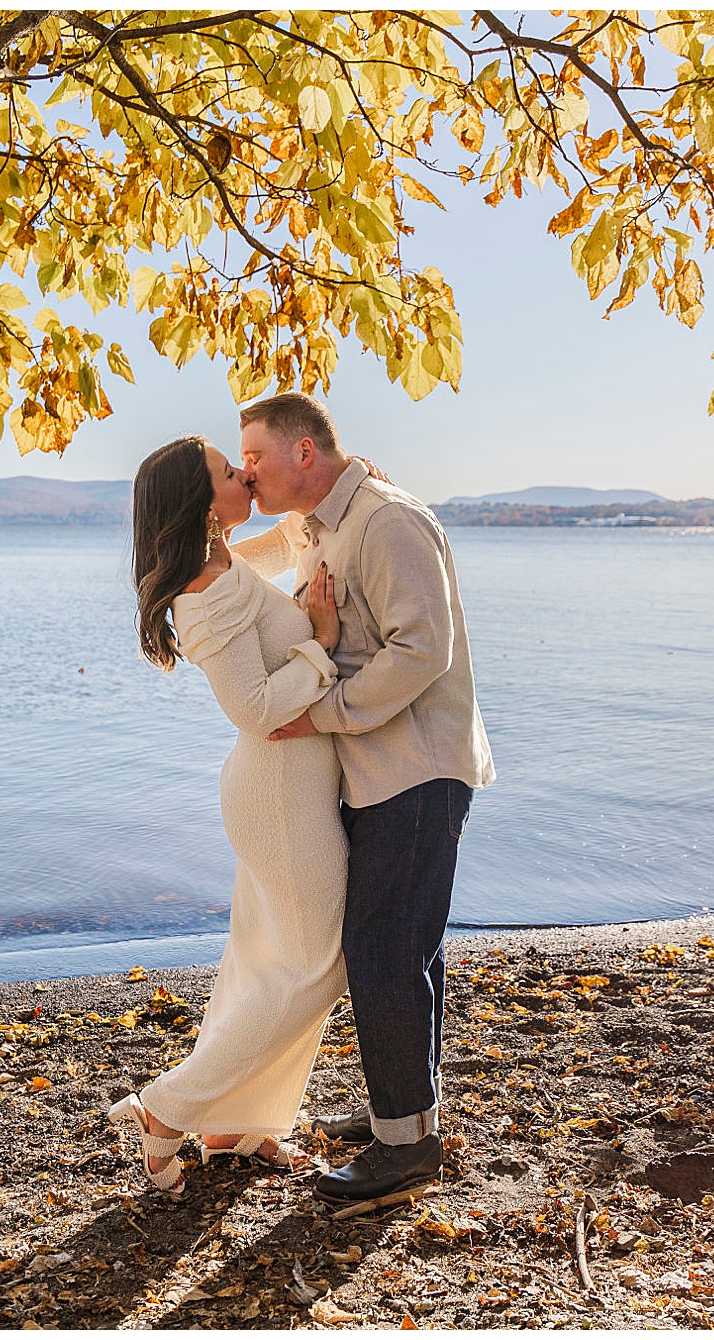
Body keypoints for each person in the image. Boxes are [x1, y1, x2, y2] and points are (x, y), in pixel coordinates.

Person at [231, 391, 495, 1206]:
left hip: (415, 769)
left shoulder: (385, 521)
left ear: (304, 452)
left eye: (256, 457)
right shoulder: (321, 523)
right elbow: (232, 573)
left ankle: (404, 1151)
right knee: (404, 950)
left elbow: (424, 649)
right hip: (375, 769)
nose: (247, 472)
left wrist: (321, 713)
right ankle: (407, 1116)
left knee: (382, 950)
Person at [109, 433, 351, 1193]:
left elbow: (286, 540)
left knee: (264, 962)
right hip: (278, 793)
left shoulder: (224, 566)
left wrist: (343, 481)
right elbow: (253, 710)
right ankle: (165, 1111)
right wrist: (323, 646)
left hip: (287, 789)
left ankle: (236, 1126)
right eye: (228, 471)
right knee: (321, 965)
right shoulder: (205, 591)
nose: (245, 473)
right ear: (201, 502)